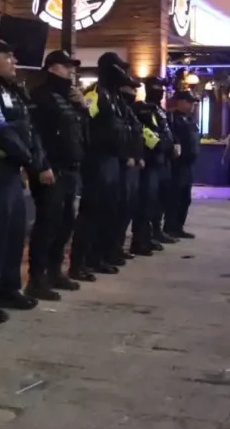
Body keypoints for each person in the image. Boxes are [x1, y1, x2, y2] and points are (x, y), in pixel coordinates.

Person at [0, 40, 52, 322]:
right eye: (8, 57)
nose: (14, 62)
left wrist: (36, 160)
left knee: (15, 234)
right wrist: (31, 160)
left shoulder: (14, 91)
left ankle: (9, 288)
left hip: (12, 173)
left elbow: (29, 129)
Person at [26, 50, 87, 299]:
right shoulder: (41, 96)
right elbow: (35, 135)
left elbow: (82, 131)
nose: (70, 71)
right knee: (47, 224)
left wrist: (82, 106)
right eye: (65, 67)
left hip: (71, 169)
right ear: (52, 68)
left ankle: (55, 271)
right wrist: (42, 166)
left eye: (71, 67)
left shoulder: (69, 97)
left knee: (65, 223)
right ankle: (37, 278)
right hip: (51, 169)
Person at [72, 53, 132, 278]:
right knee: (91, 213)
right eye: (120, 69)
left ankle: (98, 258)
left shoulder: (114, 96)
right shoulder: (96, 94)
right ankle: (80, 263)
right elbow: (85, 119)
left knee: (108, 212)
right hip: (97, 161)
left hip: (112, 160)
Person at [130, 77, 172, 255]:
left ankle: (150, 236)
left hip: (160, 162)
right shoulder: (142, 108)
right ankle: (140, 241)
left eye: (161, 88)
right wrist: (159, 144)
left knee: (155, 203)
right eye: (156, 87)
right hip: (148, 162)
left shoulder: (160, 110)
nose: (160, 91)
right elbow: (144, 133)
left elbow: (165, 132)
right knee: (144, 204)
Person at [113, 82, 144, 263]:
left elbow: (137, 134)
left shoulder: (129, 110)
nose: (133, 92)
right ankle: (112, 249)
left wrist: (138, 156)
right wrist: (126, 156)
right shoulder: (115, 106)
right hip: (121, 165)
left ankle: (118, 247)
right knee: (119, 209)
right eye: (130, 89)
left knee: (128, 210)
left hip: (133, 165)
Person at [165, 90, 199, 239]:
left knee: (185, 198)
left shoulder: (190, 119)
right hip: (176, 164)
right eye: (189, 102)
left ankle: (179, 226)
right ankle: (170, 227)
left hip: (188, 164)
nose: (192, 105)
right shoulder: (172, 117)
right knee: (175, 197)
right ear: (181, 102)